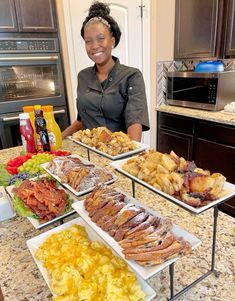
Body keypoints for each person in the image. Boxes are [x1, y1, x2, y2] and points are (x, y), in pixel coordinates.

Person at [62, 1, 150, 142]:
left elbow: (135, 127)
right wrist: (58, 138)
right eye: (88, 41)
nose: (94, 46)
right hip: (86, 152)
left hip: (118, 155)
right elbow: (81, 121)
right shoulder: (82, 76)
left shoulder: (132, 77)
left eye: (101, 39)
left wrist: (126, 154)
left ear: (112, 41)